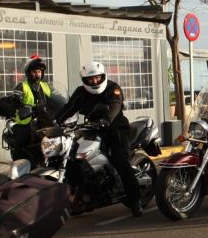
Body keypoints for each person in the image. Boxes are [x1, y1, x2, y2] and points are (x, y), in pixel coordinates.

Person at [55, 61, 144, 216]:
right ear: (85, 80)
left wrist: (106, 120)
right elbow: (68, 108)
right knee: (75, 157)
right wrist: (54, 122)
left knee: (120, 161)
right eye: (90, 79)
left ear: (103, 76)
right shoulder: (80, 92)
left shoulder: (112, 88)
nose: (94, 81)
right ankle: (83, 196)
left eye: (97, 78)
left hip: (116, 129)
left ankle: (135, 201)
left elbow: (115, 106)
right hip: (92, 128)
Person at [8, 54, 56, 162]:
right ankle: (19, 167)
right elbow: (15, 101)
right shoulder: (22, 86)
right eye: (34, 72)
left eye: (39, 71)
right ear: (29, 73)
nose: (37, 74)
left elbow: (56, 98)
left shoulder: (46, 86)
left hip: (43, 120)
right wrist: (22, 106)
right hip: (25, 122)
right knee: (21, 140)